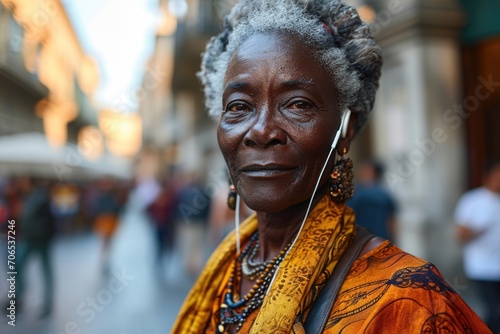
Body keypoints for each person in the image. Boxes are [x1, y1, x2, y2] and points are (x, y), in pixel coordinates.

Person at [173, 1, 489, 333]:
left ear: (345, 129)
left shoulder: (410, 301)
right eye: (239, 106)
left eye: (297, 104)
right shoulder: (224, 269)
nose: (262, 131)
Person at [455, 160, 500, 333]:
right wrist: (480, 229)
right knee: (493, 311)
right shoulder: (472, 201)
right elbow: (460, 235)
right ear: (488, 176)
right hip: (482, 267)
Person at [348, 159, 397, 241]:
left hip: (362, 240)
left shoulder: (357, 193)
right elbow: (391, 222)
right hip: (379, 239)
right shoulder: (384, 194)